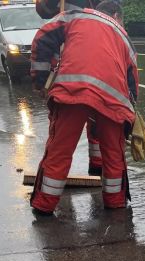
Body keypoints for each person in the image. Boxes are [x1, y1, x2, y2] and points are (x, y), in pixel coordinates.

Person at [29, 1, 145, 215]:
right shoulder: (124, 35)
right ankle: (115, 203)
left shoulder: (74, 16)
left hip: (72, 92)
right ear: (115, 15)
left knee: (60, 149)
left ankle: (43, 205)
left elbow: (43, 37)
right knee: (114, 153)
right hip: (113, 100)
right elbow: (133, 80)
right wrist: (130, 115)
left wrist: (41, 80)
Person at [36, 0, 110, 175]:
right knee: (64, 130)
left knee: (95, 122)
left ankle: (97, 167)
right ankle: (57, 177)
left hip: (90, 54)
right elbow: (43, 10)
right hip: (69, 55)